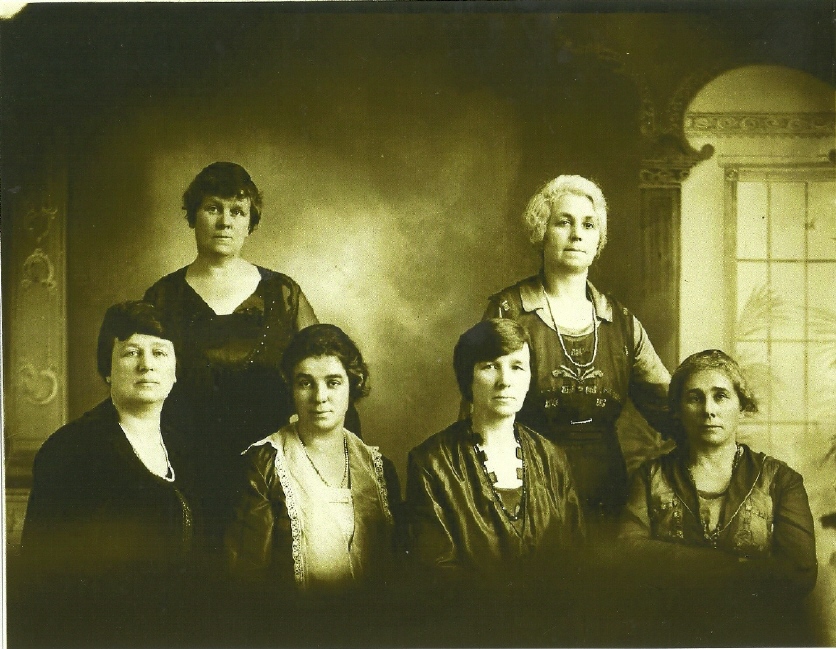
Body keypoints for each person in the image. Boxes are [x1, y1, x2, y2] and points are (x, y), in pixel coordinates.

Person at [144, 162, 358, 551]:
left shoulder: (283, 294)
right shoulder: (163, 297)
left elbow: (324, 370)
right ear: (194, 215)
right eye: (213, 208)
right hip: (185, 468)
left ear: (250, 222)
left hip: (273, 471)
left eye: (237, 211)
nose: (225, 221)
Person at [483, 175, 671, 523]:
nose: (577, 234)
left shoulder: (622, 324)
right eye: (563, 222)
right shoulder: (509, 312)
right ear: (541, 231)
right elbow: (479, 414)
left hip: (606, 488)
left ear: (598, 239)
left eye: (588, 224)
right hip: (527, 483)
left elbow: (669, 408)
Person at [18, 302, 193, 644]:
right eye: (131, 352)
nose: (146, 365)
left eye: (159, 352)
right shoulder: (71, 450)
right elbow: (44, 579)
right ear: (107, 369)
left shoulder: (186, 450)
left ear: (175, 371)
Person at [618, 349, 817, 644]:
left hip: (754, 633)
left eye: (720, 396)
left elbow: (799, 571)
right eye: (694, 398)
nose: (708, 410)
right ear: (677, 410)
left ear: (742, 407)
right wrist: (737, 566)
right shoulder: (650, 477)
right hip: (668, 632)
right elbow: (629, 551)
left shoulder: (780, 480)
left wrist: (684, 567)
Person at [225, 324, 400, 593]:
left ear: (352, 386)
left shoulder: (379, 468)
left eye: (333, 383)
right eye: (305, 383)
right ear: (291, 389)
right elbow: (248, 575)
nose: (320, 397)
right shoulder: (263, 464)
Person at [406, 319, 584, 577]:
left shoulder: (552, 458)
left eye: (517, 367)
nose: (505, 381)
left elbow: (576, 560)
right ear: (468, 377)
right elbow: (437, 573)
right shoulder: (432, 463)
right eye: (490, 366)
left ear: (529, 378)